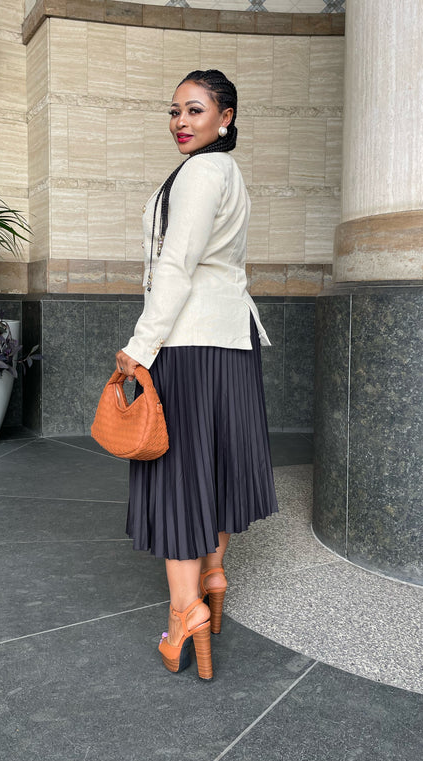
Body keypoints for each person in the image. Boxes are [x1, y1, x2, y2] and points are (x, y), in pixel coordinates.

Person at [115, 69, 277, 681]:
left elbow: (176, 265)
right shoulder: (224, 172)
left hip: (188, 343)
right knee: (216, 464)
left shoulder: (203, 172)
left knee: (180, 474)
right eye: (175, 111)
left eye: (195, 110)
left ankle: (186, 614)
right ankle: (213, 577)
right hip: (229, 341)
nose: (181, 121)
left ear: (225, 117)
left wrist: (140, 346)